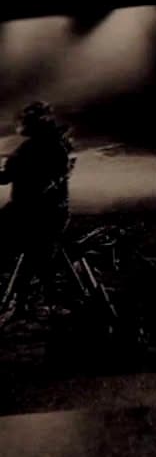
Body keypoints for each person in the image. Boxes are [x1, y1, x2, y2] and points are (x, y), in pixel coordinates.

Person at [0, 102, 75, 308]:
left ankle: (38, 300)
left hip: (42, 213)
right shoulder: (39, 147)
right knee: (33, 256)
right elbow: (7, 176)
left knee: (35, 255)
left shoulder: (51, 147)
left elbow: (52, 178)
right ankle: (28, 299)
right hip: (34, 210)